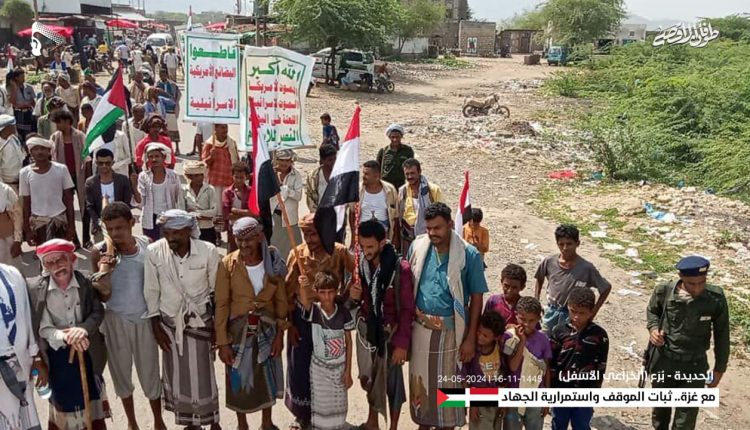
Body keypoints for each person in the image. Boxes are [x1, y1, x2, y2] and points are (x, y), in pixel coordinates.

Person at [407, 202, 488, 430]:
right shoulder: (418, 247)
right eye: (429, 228)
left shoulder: (468, 254)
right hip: (421, 331)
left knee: (449, 394)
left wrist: (470, 338)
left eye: (438, 228)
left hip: (453, 333)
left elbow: (477, 297)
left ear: (451, 225)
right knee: (421, 388)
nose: (433, 233)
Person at [90, 203, 167, 430]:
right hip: (115, 320)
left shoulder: (147, 246)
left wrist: (157, 322)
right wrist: (105, 272)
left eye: (120, 228)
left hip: (144, 319)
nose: (115, 234)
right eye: (110, 229)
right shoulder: (100, 251)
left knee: (151, 374)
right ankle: (132, 423)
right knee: (122, 376)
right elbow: (102, 297)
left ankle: (158, 421)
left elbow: (157, 286)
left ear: (132, 224)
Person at [143, 210, 222, 430]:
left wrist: (217, 326)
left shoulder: (208, 251)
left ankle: (213, 420)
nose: (170, 238)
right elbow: (151, 290)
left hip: (201, 324)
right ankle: (190, 423)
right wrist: (156, 327)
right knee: (179, 378)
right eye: (166, 233)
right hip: (169, 325)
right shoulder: (154, 252)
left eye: (176, 233)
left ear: (188, 231)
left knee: (204, 375)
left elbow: (216, 291)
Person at [27, 239, 110, 429]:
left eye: (61, 259)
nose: (57, 266)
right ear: (44, 266)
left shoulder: (86, 282)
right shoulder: (36, 290)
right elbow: (43, 328)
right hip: (58, 360)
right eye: (50, 262)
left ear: (72, 259)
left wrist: (83, 329)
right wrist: (66, 336)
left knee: (91, 402)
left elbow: (98, 312)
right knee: (65, 405)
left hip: (88, 354)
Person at [215, 217, 288, 430]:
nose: (244, 245)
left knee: (266, 375)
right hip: (237, 332)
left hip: (266, 328)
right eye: (239, 240)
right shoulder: (228, 263)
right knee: (237, 378)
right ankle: (242, 424)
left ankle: (267, 423)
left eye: (248, 239)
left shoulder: (272, 260)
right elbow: (221, 304)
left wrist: (279, 336)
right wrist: (223, 343)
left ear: (259, 237)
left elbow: (281, 300)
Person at [284, 214, 355, 429]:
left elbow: (357, 275)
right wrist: (291, 325)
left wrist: (347, 299)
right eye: (305, 234)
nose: (309, 239)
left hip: (330, 316)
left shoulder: (340, 252)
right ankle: (302, 414)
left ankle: (328, 413)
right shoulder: (297, 254)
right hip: (303, 317)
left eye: (313, 233)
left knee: (329, 365)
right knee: (300, 366)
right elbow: (287, 292)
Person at [646, 256, 728, 430]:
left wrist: (719, 369)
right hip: (664, 362)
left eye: (702, 282)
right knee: (660, 413)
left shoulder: (715, 298)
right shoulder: (664, 291)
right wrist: (653, 330)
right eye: (692, 283)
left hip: (694, 365)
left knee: (685, 420)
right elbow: (653, 311)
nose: (697, 288)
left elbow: (722, 336)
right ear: (681, 277)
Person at [352, 219, 415, 430]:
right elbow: (363, 299)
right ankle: (372, 422)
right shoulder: (362, 263)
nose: (366, 251)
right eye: (362, 246)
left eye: (370, 246)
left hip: (391, 336)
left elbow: (407, 309)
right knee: (370, 379)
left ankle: (393, 426)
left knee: (393, 385)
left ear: (382, 243)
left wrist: (402, 344)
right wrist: (354, 297)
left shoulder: (400, 269)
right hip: (370, 332)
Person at [297, 269, 355, 430]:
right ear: (316, 292)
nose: (327, 297)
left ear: (336, 291)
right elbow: (304, 301)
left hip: (339, 368)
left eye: (331, 292)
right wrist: (303, 286)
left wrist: (348, 371)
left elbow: (349, 342)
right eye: (322, 292)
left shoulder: (343, 312)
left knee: (338, 407)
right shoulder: (314, 311)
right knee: (321, 407)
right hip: (319, 369)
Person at [534, 224, 612, 335]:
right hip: (552, 311)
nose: (565, 248)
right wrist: (536, 300)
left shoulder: (586, 268)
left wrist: (593, 312)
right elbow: (539, 277)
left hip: (573, 316)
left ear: (577, 243)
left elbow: (606, 288)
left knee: (568, 344)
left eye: (569, 244)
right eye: (561, 244)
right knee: (547, 341)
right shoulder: (549, 261)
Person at [548, 287, 608, 430]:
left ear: (591, 312)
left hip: (585, 391)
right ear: (568, 307)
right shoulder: (559, 331)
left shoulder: (599, 335)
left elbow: (601, 366)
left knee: (581, 424)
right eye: (573, 311)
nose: (576, 317)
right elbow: (551, 363)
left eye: (582, 313)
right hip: (561, 389)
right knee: (558, 423)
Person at [0, 263, 45, 429]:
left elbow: (26, 315)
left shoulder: (12, 273)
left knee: (25, 419)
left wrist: (37, 357)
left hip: (19, 363)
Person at [502, 296, 552, 430]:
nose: (527, 324)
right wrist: (522, 341)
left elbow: (546, 370)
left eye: (532, 321)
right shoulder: (510, 337)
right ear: (516, 315)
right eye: (522, 319)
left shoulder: (543, 340)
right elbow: (512, 366)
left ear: (538, 320)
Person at [19, 137, 76, 245]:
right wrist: (27, 229)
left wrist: (71, 226)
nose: (39, 152)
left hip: (60, 220)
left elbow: (69, 199)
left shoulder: (61, 169)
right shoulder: (24, 173)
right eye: (36, 149)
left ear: (49, 151)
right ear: (30, 152)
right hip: (39, 223)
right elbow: (26, 203)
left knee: (62, 257)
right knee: (44, 257)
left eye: (43, 149)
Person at [50, 109, 90, 246]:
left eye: (59, 122)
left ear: (67, 122)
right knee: (68, 208)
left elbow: (87, 158)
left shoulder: (80, 136)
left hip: (80, 175)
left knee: (85, 206)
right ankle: (74, 239)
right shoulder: (55, 137)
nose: (57, 126)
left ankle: (86, 238)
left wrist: (87, 178)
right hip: (62, 178)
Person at [461, 311, 505, 430]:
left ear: (496, 337)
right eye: (479, 332)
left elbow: (504, 376)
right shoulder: (473, 352)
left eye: (485, 336)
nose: (480, 337)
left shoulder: (499, 351)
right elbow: (465, 378)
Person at [134, 143, 183, 242]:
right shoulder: (143, 176)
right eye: (151, 157)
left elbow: (180, 198)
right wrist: (134, 186)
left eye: (157, 156)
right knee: (152, 246)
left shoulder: (173, 175)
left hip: (169, 216)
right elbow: (141, 201)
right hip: (150, 218)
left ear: (163, 157)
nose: (154, 159)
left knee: (170, 246)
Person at [84, 148, 133, 244]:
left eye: (107, 163)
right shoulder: (90, 183)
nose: (104, 166)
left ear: (113, 163)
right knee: (103, 254)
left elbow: (127, 203)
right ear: (96, 163)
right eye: (100, 163)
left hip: (120, 225)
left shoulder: (123, 180)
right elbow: (90, 206)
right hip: (100, 227)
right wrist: (98, 222)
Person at [398, 158, 443, 256]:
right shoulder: (403, 191)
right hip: (407, 235)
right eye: (407, 174)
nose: (410, 176)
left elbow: (441, 213)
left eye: (412, 173)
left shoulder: (433, 190)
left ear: (419, 172)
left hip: (428, 234)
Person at [202, 123, 239, 239]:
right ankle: (217, 235)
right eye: (222, 127)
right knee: (216, 209)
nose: (225, 130)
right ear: (215, 129)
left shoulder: (231, 143)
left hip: (228, 181)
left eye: (226, 127)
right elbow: (203, 164)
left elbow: (236, 161)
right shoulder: (209, 144)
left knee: (227, 208)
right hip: (214, 182)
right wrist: (210, 157)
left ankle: (230, 235)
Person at [350, 160, 399, 248]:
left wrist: (395, 239)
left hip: (383, 238)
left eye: (367, 174)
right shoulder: (357, 190)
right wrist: (354, 238)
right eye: (363, 173)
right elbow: (352, 213)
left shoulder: (390, 190)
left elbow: (395, 217)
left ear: (376, 176)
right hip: (363, 237)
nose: (363, 176)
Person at [0, 115, 26, 259]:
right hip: (7, 185)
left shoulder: (14, 139)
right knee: (11, 216)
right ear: (6, 128)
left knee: (20, 214)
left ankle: (19, 240)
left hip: (19, 182)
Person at [271, 149, 303, 260]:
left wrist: (286, 190)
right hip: (274, 215)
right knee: (275, 245)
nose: (284, 163)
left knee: (293, 247)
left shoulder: (296, 175)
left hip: (290, 217)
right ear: (277, 160)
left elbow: (299, 196)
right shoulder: (271, 174)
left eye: (287, 160)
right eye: (281, 160)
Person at [182, 160, 218, 244]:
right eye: (197, 176)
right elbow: (182, 212)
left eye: (201, 175)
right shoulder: (183, 190)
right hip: (190, 229)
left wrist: (195, 213)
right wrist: (205, 216)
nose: (201, 178)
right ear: (190, 177)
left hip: (207, 229)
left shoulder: (210, 189)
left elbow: (214, 212)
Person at [223, 162, 252, 252]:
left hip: (249, 229)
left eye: (241, 177)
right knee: (233, 254)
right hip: (233, 230)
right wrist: (247, 214)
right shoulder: (227, 192)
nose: (239, 180)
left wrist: (235, 210)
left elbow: (256, 213)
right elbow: (227, 215)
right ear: (232, 176)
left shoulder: (251, 191)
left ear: (246, 177)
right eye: (236, 177)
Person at [377, 123, 414, 190]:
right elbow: (377, 168)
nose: (395, 139)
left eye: (397, 137)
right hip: (385, 184)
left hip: (400, 184)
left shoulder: (408, 150)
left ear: (401, 136)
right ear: (389, 137)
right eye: (393, 137)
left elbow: (412, 167)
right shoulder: (383, 151)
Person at [305, 143, 337, 212]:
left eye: (335, 159)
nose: (334, 162)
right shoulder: (313, 177)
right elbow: (310, 198)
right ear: (322, 160)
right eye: (330, 160)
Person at [156, 69, 181, 152]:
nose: (162, 76)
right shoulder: (157, 85)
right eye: (160, 75)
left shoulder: (172, 85)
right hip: (161, 110)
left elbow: (178, 95)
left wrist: (175, 102)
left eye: (164, 74)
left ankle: (177, 148)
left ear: (167, 75)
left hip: (171, 110)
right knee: (163, 130)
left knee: (174, 129)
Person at [9, 68, 36, 141]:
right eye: (22, 77)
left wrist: (35, 112)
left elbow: (33, 102)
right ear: (16, 78)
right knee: (20, 133)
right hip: (18, 113)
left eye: (24, 77)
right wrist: (14, 88)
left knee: (30, 133)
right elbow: (12, 102)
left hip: (28, 112)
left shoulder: (29, 87)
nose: (24, 79)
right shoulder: (11, 89)